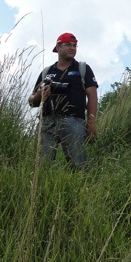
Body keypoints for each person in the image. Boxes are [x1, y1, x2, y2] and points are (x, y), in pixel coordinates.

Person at [29, 32, 98, 169]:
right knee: (42, 166)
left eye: (74, 45)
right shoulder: (47, 72)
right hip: (47, 121)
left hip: (73, 121)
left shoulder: (82, 69)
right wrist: (39, 94)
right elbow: (32, 101)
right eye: (68, 45)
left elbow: (92, 95)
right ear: (58, 47)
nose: (72, 48)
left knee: (79, 165)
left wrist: (91, 122)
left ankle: (83, 188)